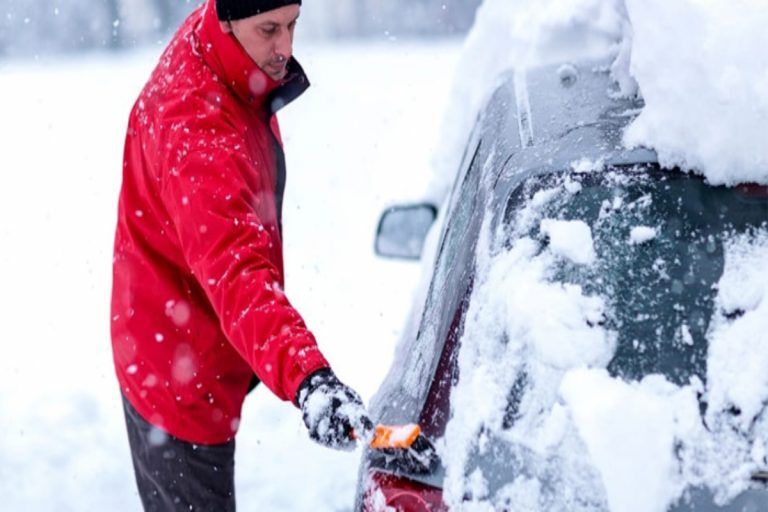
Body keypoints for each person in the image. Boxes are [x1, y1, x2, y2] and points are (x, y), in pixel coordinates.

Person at [110, 0, 373, 509]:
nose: (286, 48)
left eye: (294, 25)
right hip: (173, 368)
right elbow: (238, 274)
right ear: (227, 22)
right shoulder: (197, 132)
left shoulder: (225, 51)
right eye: (269, 29)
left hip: (188, 323)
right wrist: (309, 379)